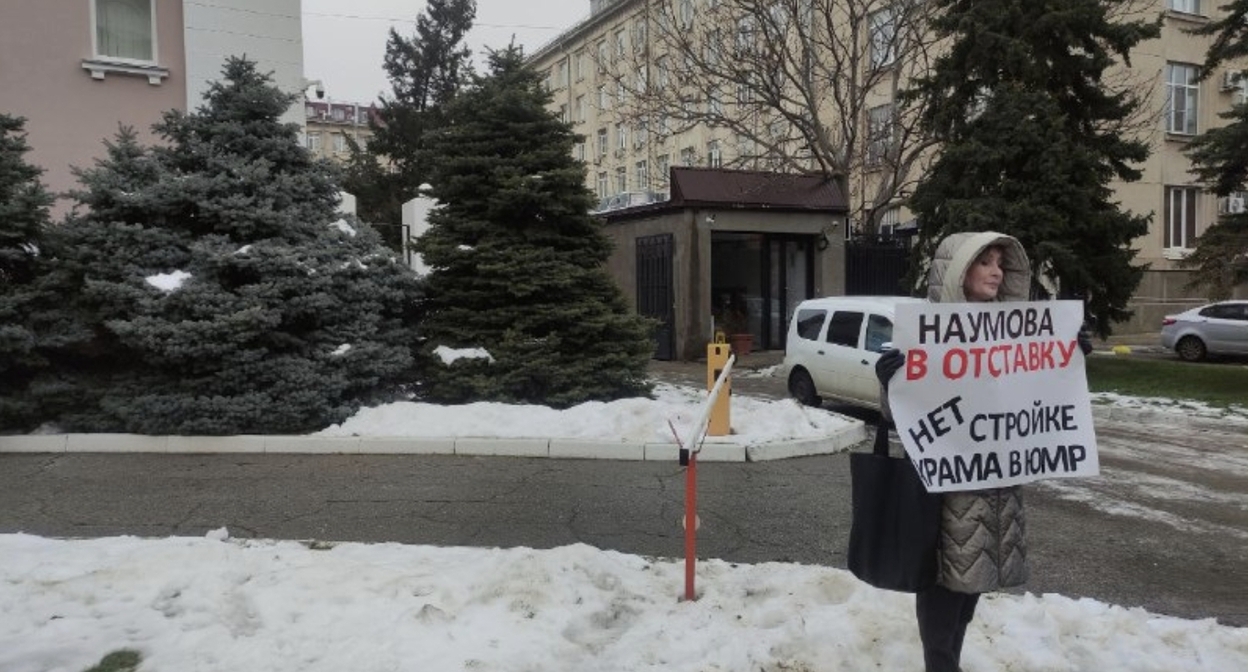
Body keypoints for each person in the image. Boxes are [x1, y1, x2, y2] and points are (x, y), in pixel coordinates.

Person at [874, 231, 1092, 672]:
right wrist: (888, 381)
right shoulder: (926, 333)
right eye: (985, 262)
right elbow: (901, 415)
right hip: (943, 495)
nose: (996, 272)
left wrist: (1069, 354)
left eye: (1000, 264)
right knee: (941, 594)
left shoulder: (1015, 335)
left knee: (968, 596)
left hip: (996, 489)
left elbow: (1036, 394)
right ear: (959, 272)